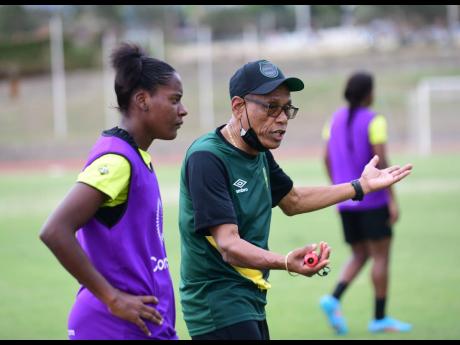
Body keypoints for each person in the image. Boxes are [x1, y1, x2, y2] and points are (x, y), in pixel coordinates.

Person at [177, 60, 413, 340]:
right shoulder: (208, 158)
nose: (282, 118)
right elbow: (228, 245)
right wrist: (286, 261)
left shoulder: (258, 152)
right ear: (238, 106)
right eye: (271, 107)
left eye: (286, 107)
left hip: (248, 297)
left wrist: (359, 186)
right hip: (217, 302)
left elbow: (293, 200)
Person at [39, 42, 188, 340]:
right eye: (174, 100)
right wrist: (113, 298)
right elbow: (55, 230)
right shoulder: (117, 160)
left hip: (142, 325)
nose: (183, 110)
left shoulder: (135, 157)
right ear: (142, 99)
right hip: (112, 327)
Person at [319, 71, 412, 335]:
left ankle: (332, 298)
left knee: (360, 253)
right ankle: (379, 318)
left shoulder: (333, 120)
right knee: (380, 256)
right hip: (373, 201)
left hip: (346, 201)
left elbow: (325, 157)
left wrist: (339, 189)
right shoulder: (375, 120)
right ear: (369, 93)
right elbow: (380, 161)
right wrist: (392, 200)